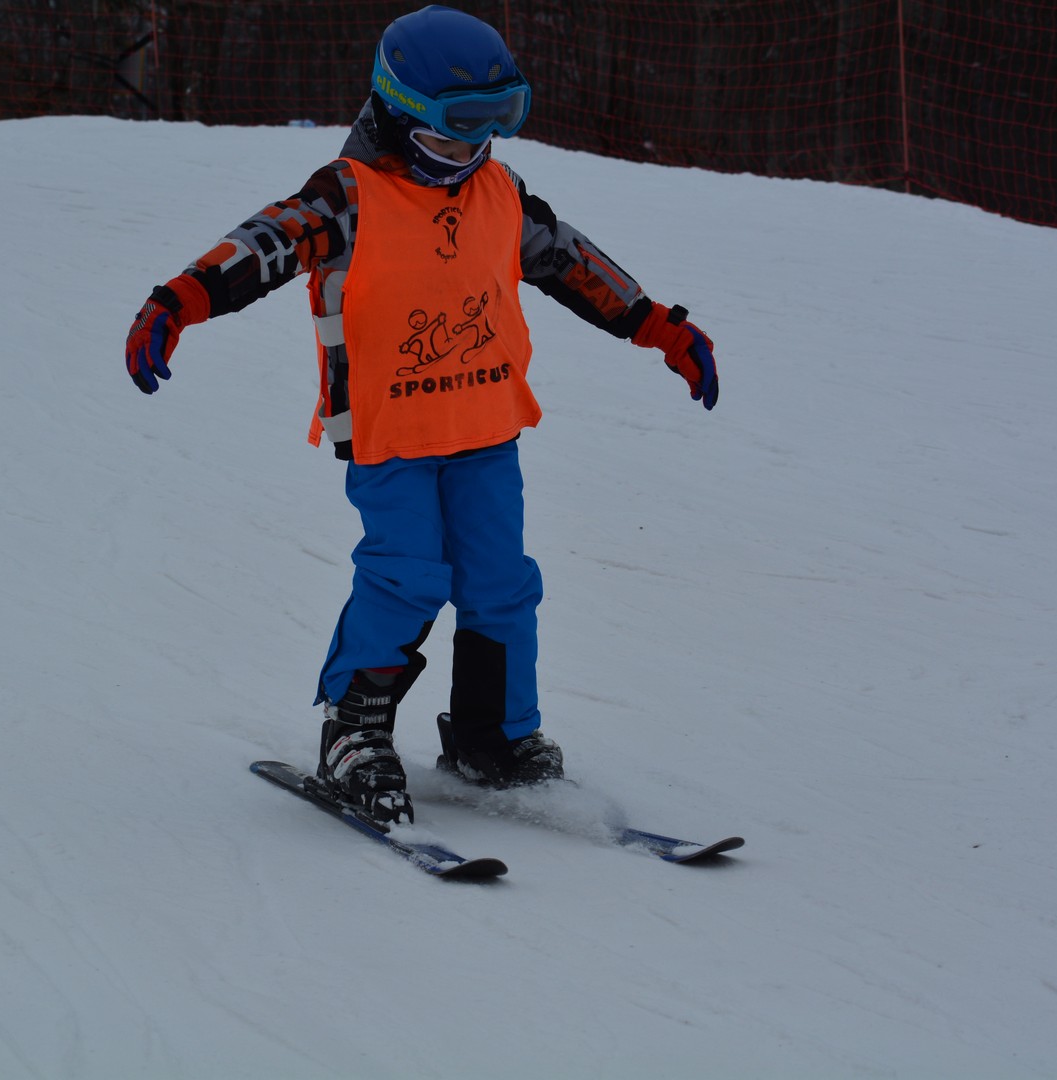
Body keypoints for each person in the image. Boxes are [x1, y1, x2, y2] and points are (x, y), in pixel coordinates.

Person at [123, 5, 718, 823]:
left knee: (501, 584)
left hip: (486, 429)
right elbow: (262, 244)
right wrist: (177, 302)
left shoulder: (500, 192)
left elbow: (574, 262)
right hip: (390, 434)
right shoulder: (347, 196)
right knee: (406, 577)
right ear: (399, 117)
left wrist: (660, 327)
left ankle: (493, 738)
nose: (470, 153)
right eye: (450, 136)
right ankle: (354, 733)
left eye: (488, 131)